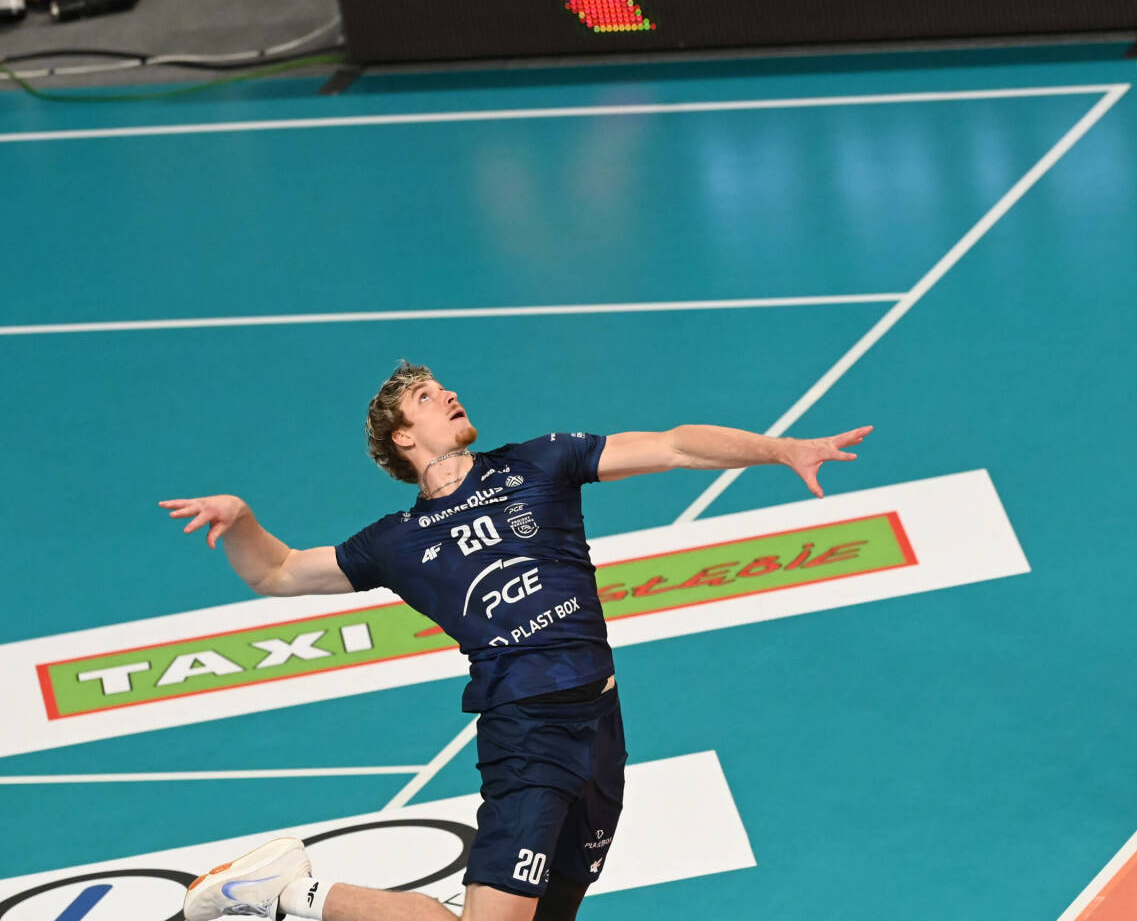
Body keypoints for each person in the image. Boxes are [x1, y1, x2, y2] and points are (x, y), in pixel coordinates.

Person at [161, 361, 872, 921]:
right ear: (403, 438)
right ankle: (287, 892)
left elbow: (676, 445)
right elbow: (279, 571)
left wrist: (781, 449)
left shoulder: (540, 463)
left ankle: (292, 892)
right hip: (528, 731)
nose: (449, 395)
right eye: (427, 397)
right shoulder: (397, 542)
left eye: (444, 388)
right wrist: (242, 518)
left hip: (602, 725)